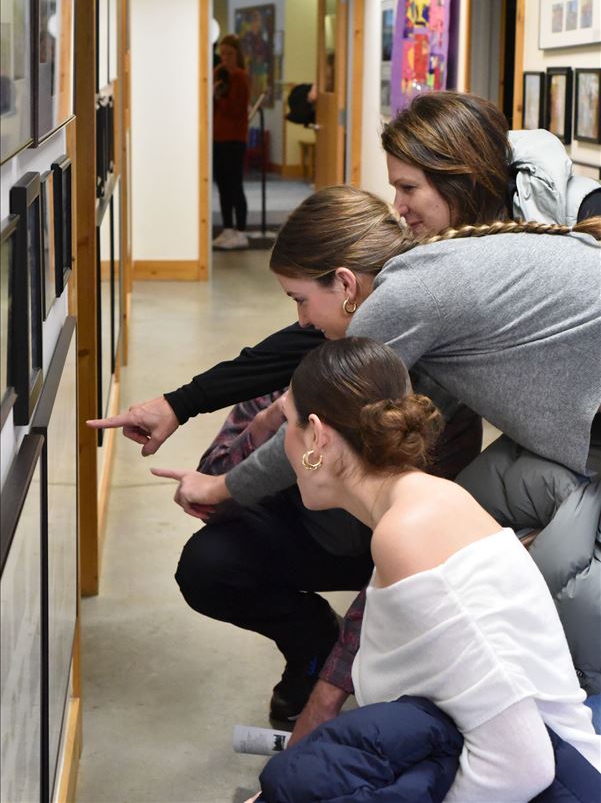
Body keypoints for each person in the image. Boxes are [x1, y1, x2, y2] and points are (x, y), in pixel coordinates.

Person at [88, 92, 601, 724]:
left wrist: (224, 487)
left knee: (558, 594)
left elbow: (382, 520)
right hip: (550, 444)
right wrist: (186, 404)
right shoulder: (476, 236)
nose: (399, 209)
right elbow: (301, 345)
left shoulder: (427, 283)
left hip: (573, 441)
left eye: (408, 187)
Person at [252, 337, 600, 801]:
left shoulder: (408, 533)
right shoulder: (420, 504)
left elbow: (523, 763)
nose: (285, 444)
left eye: (286, 425)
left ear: (317, 435)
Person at [212, 34, 250, 251]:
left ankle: (240, 231)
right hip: (218, 137)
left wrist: (221, 96)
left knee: (235, 184)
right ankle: (227, 228)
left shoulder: (240, 76)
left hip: (235, 137)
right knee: (222, 184)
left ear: (237, 55)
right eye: (222, 54)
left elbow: (236, 109)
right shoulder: (219, 73)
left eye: (230, 54)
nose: (225, 58)